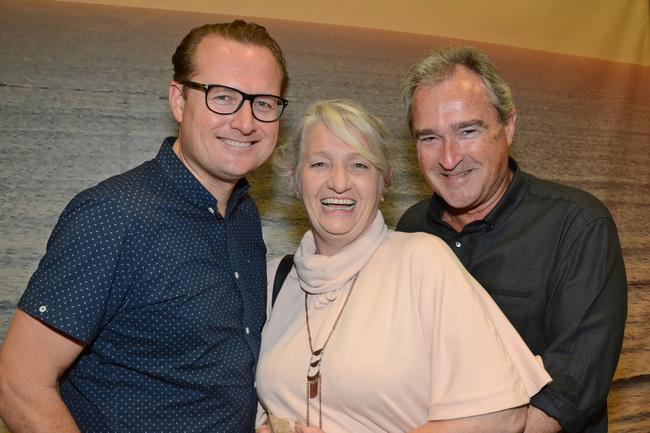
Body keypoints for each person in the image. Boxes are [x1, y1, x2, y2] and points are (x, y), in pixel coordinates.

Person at [0, 20, 289, 433]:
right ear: (178, 100)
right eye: (222, 97)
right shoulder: (113, 215)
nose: (245, 121)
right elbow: (18, 383)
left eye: (263, 103)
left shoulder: (244, 217)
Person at [254, 99, 551, 433]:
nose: (339, 182)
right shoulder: (274, 281)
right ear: (295, 180)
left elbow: (501, 415)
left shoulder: (421, 263)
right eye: (320, 164)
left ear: (384, 182)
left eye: (360, 166)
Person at [397, 46, 627, 433]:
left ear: (509, 127)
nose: (449, 158)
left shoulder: (578, 226)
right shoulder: (411, 228)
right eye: (429, 138)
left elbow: (569, 390)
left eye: (467, 131)